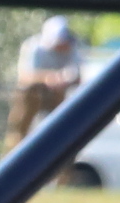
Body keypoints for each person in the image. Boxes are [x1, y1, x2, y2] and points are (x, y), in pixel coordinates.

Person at [7, 15, 83, 147]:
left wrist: (65, 80)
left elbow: (78, 77)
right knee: (18, 130)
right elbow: (25, 77)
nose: (60, 47)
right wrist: (49, 78)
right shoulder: (34, 47)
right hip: (32, 93)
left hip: (59, 95)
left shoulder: (72, 46)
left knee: (64, 130)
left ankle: (62, 162)